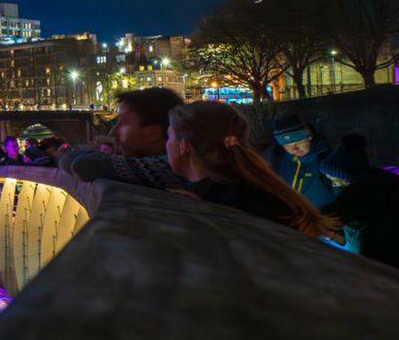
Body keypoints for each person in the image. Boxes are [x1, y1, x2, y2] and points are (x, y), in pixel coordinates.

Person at [166, 101, 334, 237]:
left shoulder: (232, 206)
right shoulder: (251, 188)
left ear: (184, 147)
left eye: (169, 137)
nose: (166, 145)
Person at [61, 88, 188, 189]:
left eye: (122, 123)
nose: (112, 133)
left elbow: (82, 165)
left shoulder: (173, 169)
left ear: (152, 134)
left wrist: (106, 155)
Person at [320, 134, 399, 268]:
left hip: (380, 258)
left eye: (335, 180)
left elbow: (337, 211)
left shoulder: (364, 188)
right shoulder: (377, 179)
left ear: (348, 176)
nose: (333, 184)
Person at [267, 113, 337, 209]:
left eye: (298, 142)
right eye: (287, 145)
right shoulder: (275, 159)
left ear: (309, 136)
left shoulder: (329, 160)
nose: (294, 149)